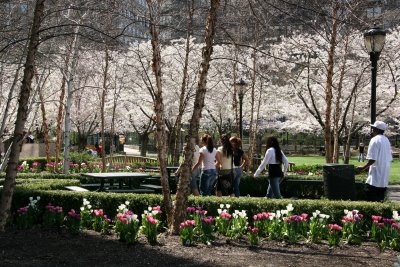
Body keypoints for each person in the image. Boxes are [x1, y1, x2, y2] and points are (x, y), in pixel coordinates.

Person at [356, 121, 392, 202]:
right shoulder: (386, 140)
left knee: (371, 197)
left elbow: (372, 159)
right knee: (380, 199)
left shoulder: (374, 140)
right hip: (384, 175)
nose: (372, 130)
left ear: (377, 129)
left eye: (373, 128)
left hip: (375, 176)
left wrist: (363, 167)